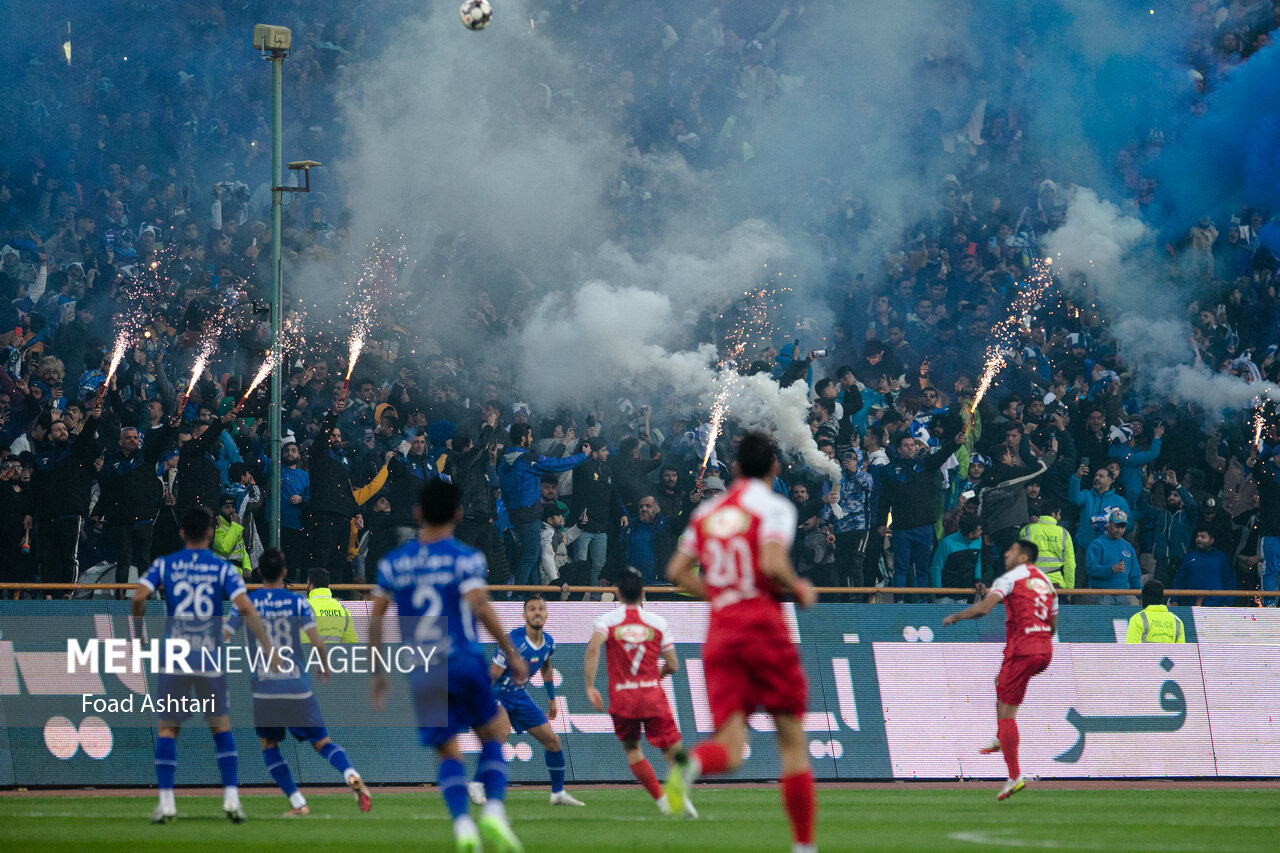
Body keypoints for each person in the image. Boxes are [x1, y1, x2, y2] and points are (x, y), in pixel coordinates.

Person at [664, 432, 818, 853]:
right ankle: (804, 847)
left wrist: (717, 594)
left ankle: (691, 764)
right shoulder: (775, 507)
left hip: (720, 630)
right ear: (775, 468)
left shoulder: (708, 512)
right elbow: (771, 561)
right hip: (763, 625)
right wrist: (799, 586)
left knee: (731, 749)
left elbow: (677, 569)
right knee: (791, 743)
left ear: (734, 468)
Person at [369, 479, 527, 853]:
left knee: (448, 751)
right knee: (493, 734)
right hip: (465, 660)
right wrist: (511, 651)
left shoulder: (394, 562)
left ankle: (462, 826)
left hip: (423, 669)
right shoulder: (466, 557)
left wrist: (377, 672)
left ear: (417, 513)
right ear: (458, 513)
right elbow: (481, 606)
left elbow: (375, 619)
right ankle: (492, 810)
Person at [132, 507, 276, 824]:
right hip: (208, 653)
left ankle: (168, 803)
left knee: (169, 729)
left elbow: (138, 596)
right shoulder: (221, 568)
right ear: (210, 533)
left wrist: (136, 633)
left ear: (182, 533)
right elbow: (245, 607)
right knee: (221, 726)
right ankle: (231, 799)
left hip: (176, 654)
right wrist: (268, 646)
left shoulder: (165, 564)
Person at [222, 548, 372, 815]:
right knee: (322, 742)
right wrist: (324, 667)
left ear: (259, 572)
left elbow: (223, 635)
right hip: (297, 685)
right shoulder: (299, 603)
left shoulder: (246, 603)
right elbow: (316, 642)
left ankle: (298, 802)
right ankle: (350, 772)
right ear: (284, 572)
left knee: (269, 745)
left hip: (265, 686)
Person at [942, 539, 1057, 801]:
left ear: (1023, 556)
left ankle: (1014, 775)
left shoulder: (1008, 579)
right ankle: (1000, 736)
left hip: (1022, 651)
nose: (1006, 552)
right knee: (1000, 682)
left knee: (1007, 713)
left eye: (1012, 549)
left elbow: (984, 609)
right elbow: (1053, 626)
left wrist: (957, 616)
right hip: (1044, 651)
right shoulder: (1047, 583)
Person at [584, 568, 693, 817]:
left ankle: (663, 802)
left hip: (623, 698)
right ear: (643, 592)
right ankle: (680, 796)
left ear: (617, 593)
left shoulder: (607, 621)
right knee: (673, 751)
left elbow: (593, 649)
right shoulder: (657, 622)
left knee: (633, 750)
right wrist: (659, 675)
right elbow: (673, 664)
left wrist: (590, 687)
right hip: (652, 696)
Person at [471, 594, 585, 807]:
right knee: (501, 735)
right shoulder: (513, 641)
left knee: (553, 741)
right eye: (532, 609)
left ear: (547, 615)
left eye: (541, 609)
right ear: (524, 615)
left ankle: (558, 793)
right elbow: (493, 674)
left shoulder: (548, 642)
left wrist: (552, 700)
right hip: (498, 694)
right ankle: (477, 784)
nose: (537, 612)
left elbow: (546, 665)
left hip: (520, 696)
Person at [498, 423, 588, 589]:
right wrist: (583, 456)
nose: (532, 439)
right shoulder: (527, 459)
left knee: (532, 556)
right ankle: (518, 597)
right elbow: (557, 465)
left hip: (514, 513)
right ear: (523, 438)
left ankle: (534, 594)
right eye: (530, 436)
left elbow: (504, 490)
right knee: (530, 556)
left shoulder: (504, 461)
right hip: (529, 513)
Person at [1084, 509, 1141, 604]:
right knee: (1103, 620)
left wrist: (1140, 595)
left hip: (1123, 596)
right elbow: (1090, 569)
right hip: (1101, 595)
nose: (1120, 530)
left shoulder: (1128, 547)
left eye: (1123, 527)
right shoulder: (1097, 544)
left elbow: (1135, 574)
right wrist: (1111, 569)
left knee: (1123, 619)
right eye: (1117, 526)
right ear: (1109, 523)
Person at [1018, 497, 1075, 591]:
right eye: (1059, 514)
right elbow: (1070, 564)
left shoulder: (1027, 530)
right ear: (1053, 514)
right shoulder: (1064, 533)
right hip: (1055, 584)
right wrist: (1069, 588)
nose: (1060, 517)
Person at [1172, 528, 1235, 606]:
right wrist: (1174, 599)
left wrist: (1228, 602)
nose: (1199, 539)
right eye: (1197, 537)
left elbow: (1230, 580)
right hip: (1191, 605)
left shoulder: (1221, 558)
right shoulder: (1188, 557)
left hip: (1217, 605)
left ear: (1212, 540)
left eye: (1203, 537)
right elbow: (1179, 580)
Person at [304, 568, 358, 644]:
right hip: (334, 654)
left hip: (309, 654)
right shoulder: (341, 609)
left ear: (311, 586)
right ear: (327, 586)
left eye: (307, 583)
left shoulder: (303, 607)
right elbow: (353, 642)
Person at [212, 494, 252, 576]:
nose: (231, 510)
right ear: (220, 509)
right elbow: (225, 549)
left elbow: (242, 550)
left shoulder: (233, 526)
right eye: (227, 507)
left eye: (233, 507)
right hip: (225, 576)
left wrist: (247, 568)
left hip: (239, 575)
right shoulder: (217, 527)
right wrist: (235, 526)